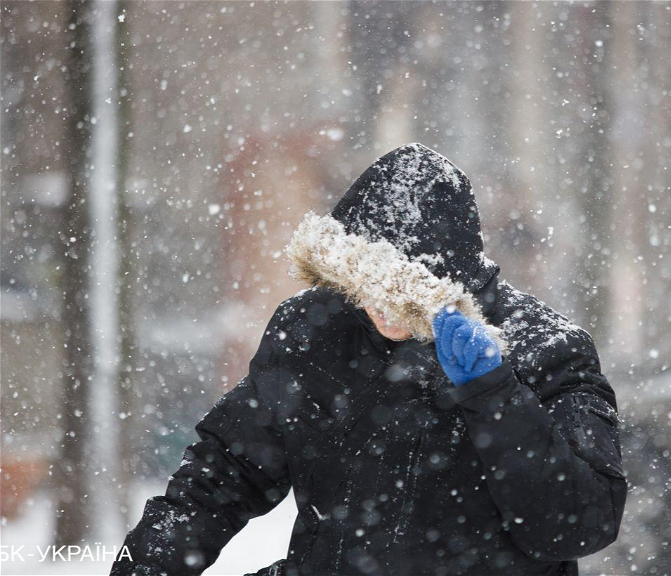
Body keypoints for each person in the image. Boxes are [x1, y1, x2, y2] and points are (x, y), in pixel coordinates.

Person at [110, 142, 627, 576]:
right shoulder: (314, 330)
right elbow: (223, 473)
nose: (383, 310)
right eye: (365, 283)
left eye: (405, 295)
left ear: (451, 282)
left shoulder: (547, 349)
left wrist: (494, 393)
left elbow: (580, 524)